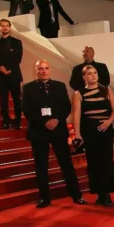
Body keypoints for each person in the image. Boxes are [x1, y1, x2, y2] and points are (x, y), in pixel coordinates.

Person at [22, 60, 87, 208]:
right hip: (38, 132)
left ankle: (77, 196)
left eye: (46, 68)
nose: (43, 71)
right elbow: (26, 109)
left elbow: (66, 107)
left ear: (49, 70)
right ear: (35, 70)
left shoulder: (59, 86)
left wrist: (56, 119)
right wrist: (44, 122)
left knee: (67, 164)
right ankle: (45, 198)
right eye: (40, 68)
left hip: (58, 130)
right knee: (41, 166)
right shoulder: (28, 88)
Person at [73, 65, 114, 207]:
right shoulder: (78, 93)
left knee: (106, 161)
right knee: (93, 162)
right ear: (84, 77)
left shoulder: (107, 90)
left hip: (105, 129)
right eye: (89, 73)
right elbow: (76, 115)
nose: (93, 75)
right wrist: (78, 134)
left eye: (95, 73)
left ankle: (107, 193)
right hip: (89, 130)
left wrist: (109, 122)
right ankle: (99, 193)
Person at [0, 19, 23, 129]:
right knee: (3, 100)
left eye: (7, 26)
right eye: (2, 26)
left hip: (14, 75)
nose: (5, 28)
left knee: (17, 100)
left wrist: (8, 69)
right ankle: (5, 121)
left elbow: (18, 58)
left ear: (10, 27)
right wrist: (1, 67)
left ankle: (17, 121)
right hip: (1, 76)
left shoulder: (17, 42)